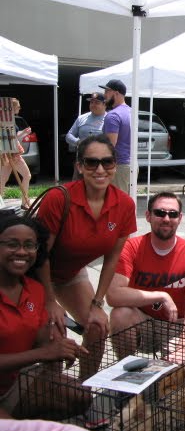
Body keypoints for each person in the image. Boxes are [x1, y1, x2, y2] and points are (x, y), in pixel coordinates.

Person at [36, 134, 137, 378]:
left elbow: (112, 259)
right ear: (80, 166)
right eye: (92, 163)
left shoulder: (124, 204)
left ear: (115, 164)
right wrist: (49, 301)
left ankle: (84, 390)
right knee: (55, 331)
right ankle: (53, 392)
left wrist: (97, 304)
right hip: (35, 274)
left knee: (97, 325)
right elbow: (40, 255)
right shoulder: (59, 198)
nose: (100, 169)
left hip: (70, 274)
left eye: (107, 162)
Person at [0, 216, 90, 419]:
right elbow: (43, 353)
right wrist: (44, 354)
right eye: (12, 244)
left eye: (29, 245)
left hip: (15, 382)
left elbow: (42, 338)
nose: (22, 252)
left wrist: (63, 345)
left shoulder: (34, 289)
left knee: (80, 395)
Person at [106, 191, 185, 360]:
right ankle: (125, 373)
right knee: (119, 314)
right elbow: (113, 295)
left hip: (179, 324)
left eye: (172, 214)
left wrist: (183, 345)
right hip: (143, 320)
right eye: (160, 213)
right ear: (148, 216)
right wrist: (160, 295)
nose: (166, 219)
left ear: (180, 218)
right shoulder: (131, 247)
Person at [65, 93, 107, 180]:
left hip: (100, 163)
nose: (93, 105)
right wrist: (78, 142)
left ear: (104, 104)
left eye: (97, 103)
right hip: (82, 161)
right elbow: (69, 136)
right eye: (91, 102)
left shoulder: (109, 119)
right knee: (77, 188)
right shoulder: (81, 118)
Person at [100, 79, 131, 194]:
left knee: (116, 203)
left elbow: (110, 146)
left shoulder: (113, 115)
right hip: (131, 164)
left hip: (118, 165)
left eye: (107, 91)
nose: (104, 95)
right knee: (127, 202)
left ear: (116, 93)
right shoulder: (132, 112)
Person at [0, 98, 32, 209]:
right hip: (12, 152)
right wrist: (23, 134)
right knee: (27, 175)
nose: (20, 108)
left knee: (3, 180)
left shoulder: (8, 120)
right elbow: (10, 138)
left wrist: (23, 133)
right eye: (18, 106)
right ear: (12, 108)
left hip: (7, 151)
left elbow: (11, 137)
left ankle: (23, 202)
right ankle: (25, 202)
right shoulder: (7, 121)